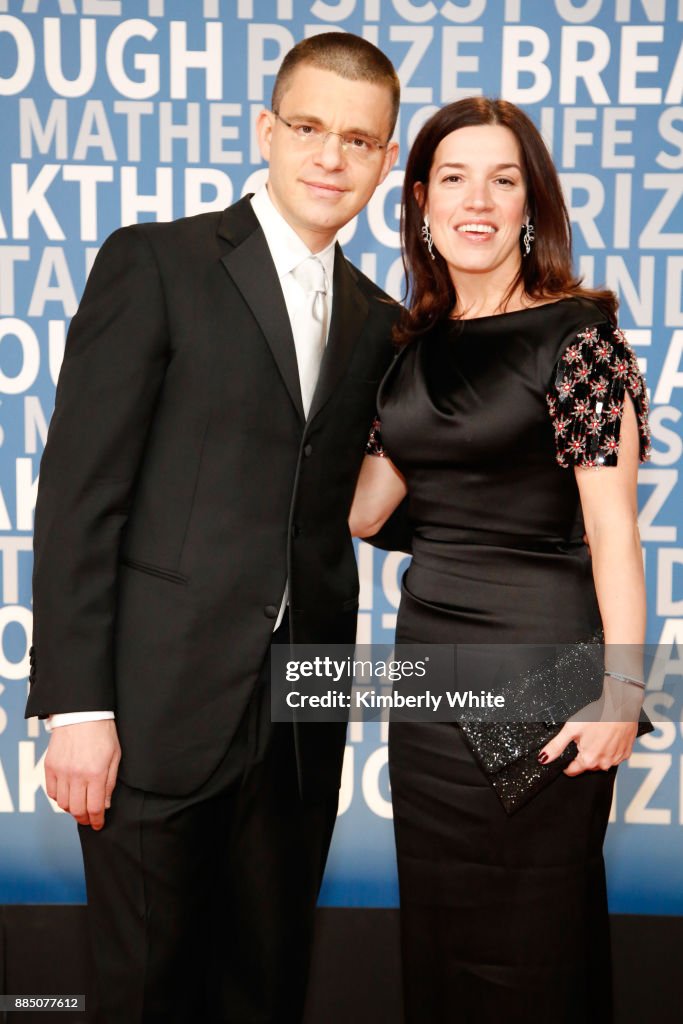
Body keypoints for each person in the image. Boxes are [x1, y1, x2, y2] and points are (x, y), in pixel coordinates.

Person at [26, 33, 400, 1024]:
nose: (330, 157)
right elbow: (78, 497)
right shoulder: (157, 262)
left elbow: (358, 506)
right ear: (266, 132)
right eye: (311, 128)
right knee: (146, 994)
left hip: (298, 725)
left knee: (265, 991)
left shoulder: (380, 319)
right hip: (150, 717)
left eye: (358, 140)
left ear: (384, 160)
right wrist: (76, 707)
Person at [349, 97, 650, 1023]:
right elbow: (361, 514)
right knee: (442, 937)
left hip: (541, 679)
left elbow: (612, 534)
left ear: (533, 205)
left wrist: (623, 695)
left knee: (530, 945)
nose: (476, 199)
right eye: (453, 177)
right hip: (431, 686)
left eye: (503, 178)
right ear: (420, 201)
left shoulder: (580, 340)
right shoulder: (408, 352)